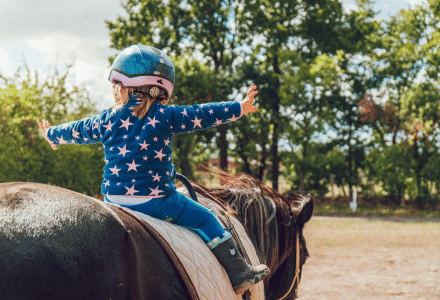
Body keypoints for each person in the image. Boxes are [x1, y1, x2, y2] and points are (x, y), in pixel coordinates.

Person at [37, 44, 269, 294]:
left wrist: (51, 134)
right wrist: (239, 108)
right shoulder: (165, 115)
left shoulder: (106, 118)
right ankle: (239, 272)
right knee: (205, 218)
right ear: (161, 89)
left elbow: (79, 130)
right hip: (157, 202)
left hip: (113, 201)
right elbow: (202, 113)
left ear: (120, 86)